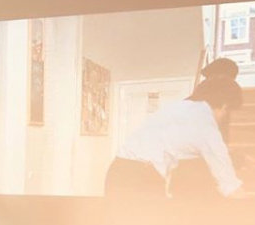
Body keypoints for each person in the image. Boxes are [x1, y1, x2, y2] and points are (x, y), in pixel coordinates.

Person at [104, 77, 244, 198]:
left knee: (119, 220)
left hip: (118, 170)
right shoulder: (205, 123)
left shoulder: (179, 107)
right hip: (140, 177)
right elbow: (229, 185)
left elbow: (189, 146)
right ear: (224, 106)